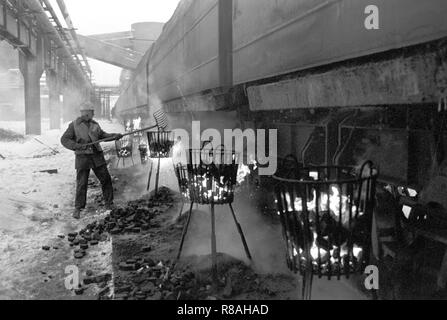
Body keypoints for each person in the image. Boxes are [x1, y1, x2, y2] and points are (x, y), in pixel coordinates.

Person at [61, 102, 123, 219]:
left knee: (106, 179)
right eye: (91, 112)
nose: (93, 114)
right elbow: (64, 139)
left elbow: (103, 136)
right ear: (85, 113)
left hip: (96, 156)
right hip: (83, 157)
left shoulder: (95, 125)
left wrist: (114, 136)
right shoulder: (74, 125)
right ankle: (78, 208)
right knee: (82, 183)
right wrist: (76, 146)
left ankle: (109, 203)